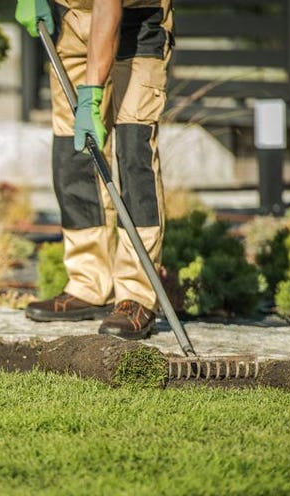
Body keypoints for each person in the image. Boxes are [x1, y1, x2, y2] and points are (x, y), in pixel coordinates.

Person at [15, 0, 173, 339]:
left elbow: (108, 9)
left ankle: (136, 294)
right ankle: (89, 283)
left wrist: (90, 96)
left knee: (134, 152)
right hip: (72, 22)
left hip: (136, 21)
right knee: (73, 154)